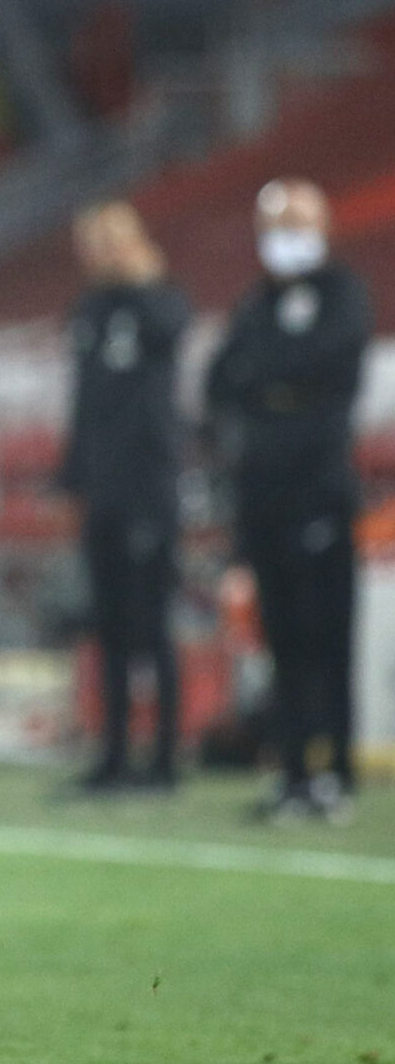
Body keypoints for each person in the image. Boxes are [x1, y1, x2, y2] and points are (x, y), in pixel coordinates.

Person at [205, 178, 371, 824]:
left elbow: (331, 369)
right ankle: (294, 766)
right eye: (275, 222)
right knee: (280, 638)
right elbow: (223, 378)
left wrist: (272, 378)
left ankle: (337, 770)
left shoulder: (342, 293)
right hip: (263, 490)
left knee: (326, 633)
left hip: (320, 489)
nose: (285, 234)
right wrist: (278, 378)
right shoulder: (256, 302)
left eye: (296, 221)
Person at [59, 202, 191, 793]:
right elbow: (83, 402)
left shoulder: (160, 300)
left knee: (152, 625)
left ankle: (162, 757)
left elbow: (170, 333)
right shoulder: (88, 310)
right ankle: (112, 754)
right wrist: (73, 474)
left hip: (149, 489)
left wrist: (140, 280)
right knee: (107, 627)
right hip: (103, 493)